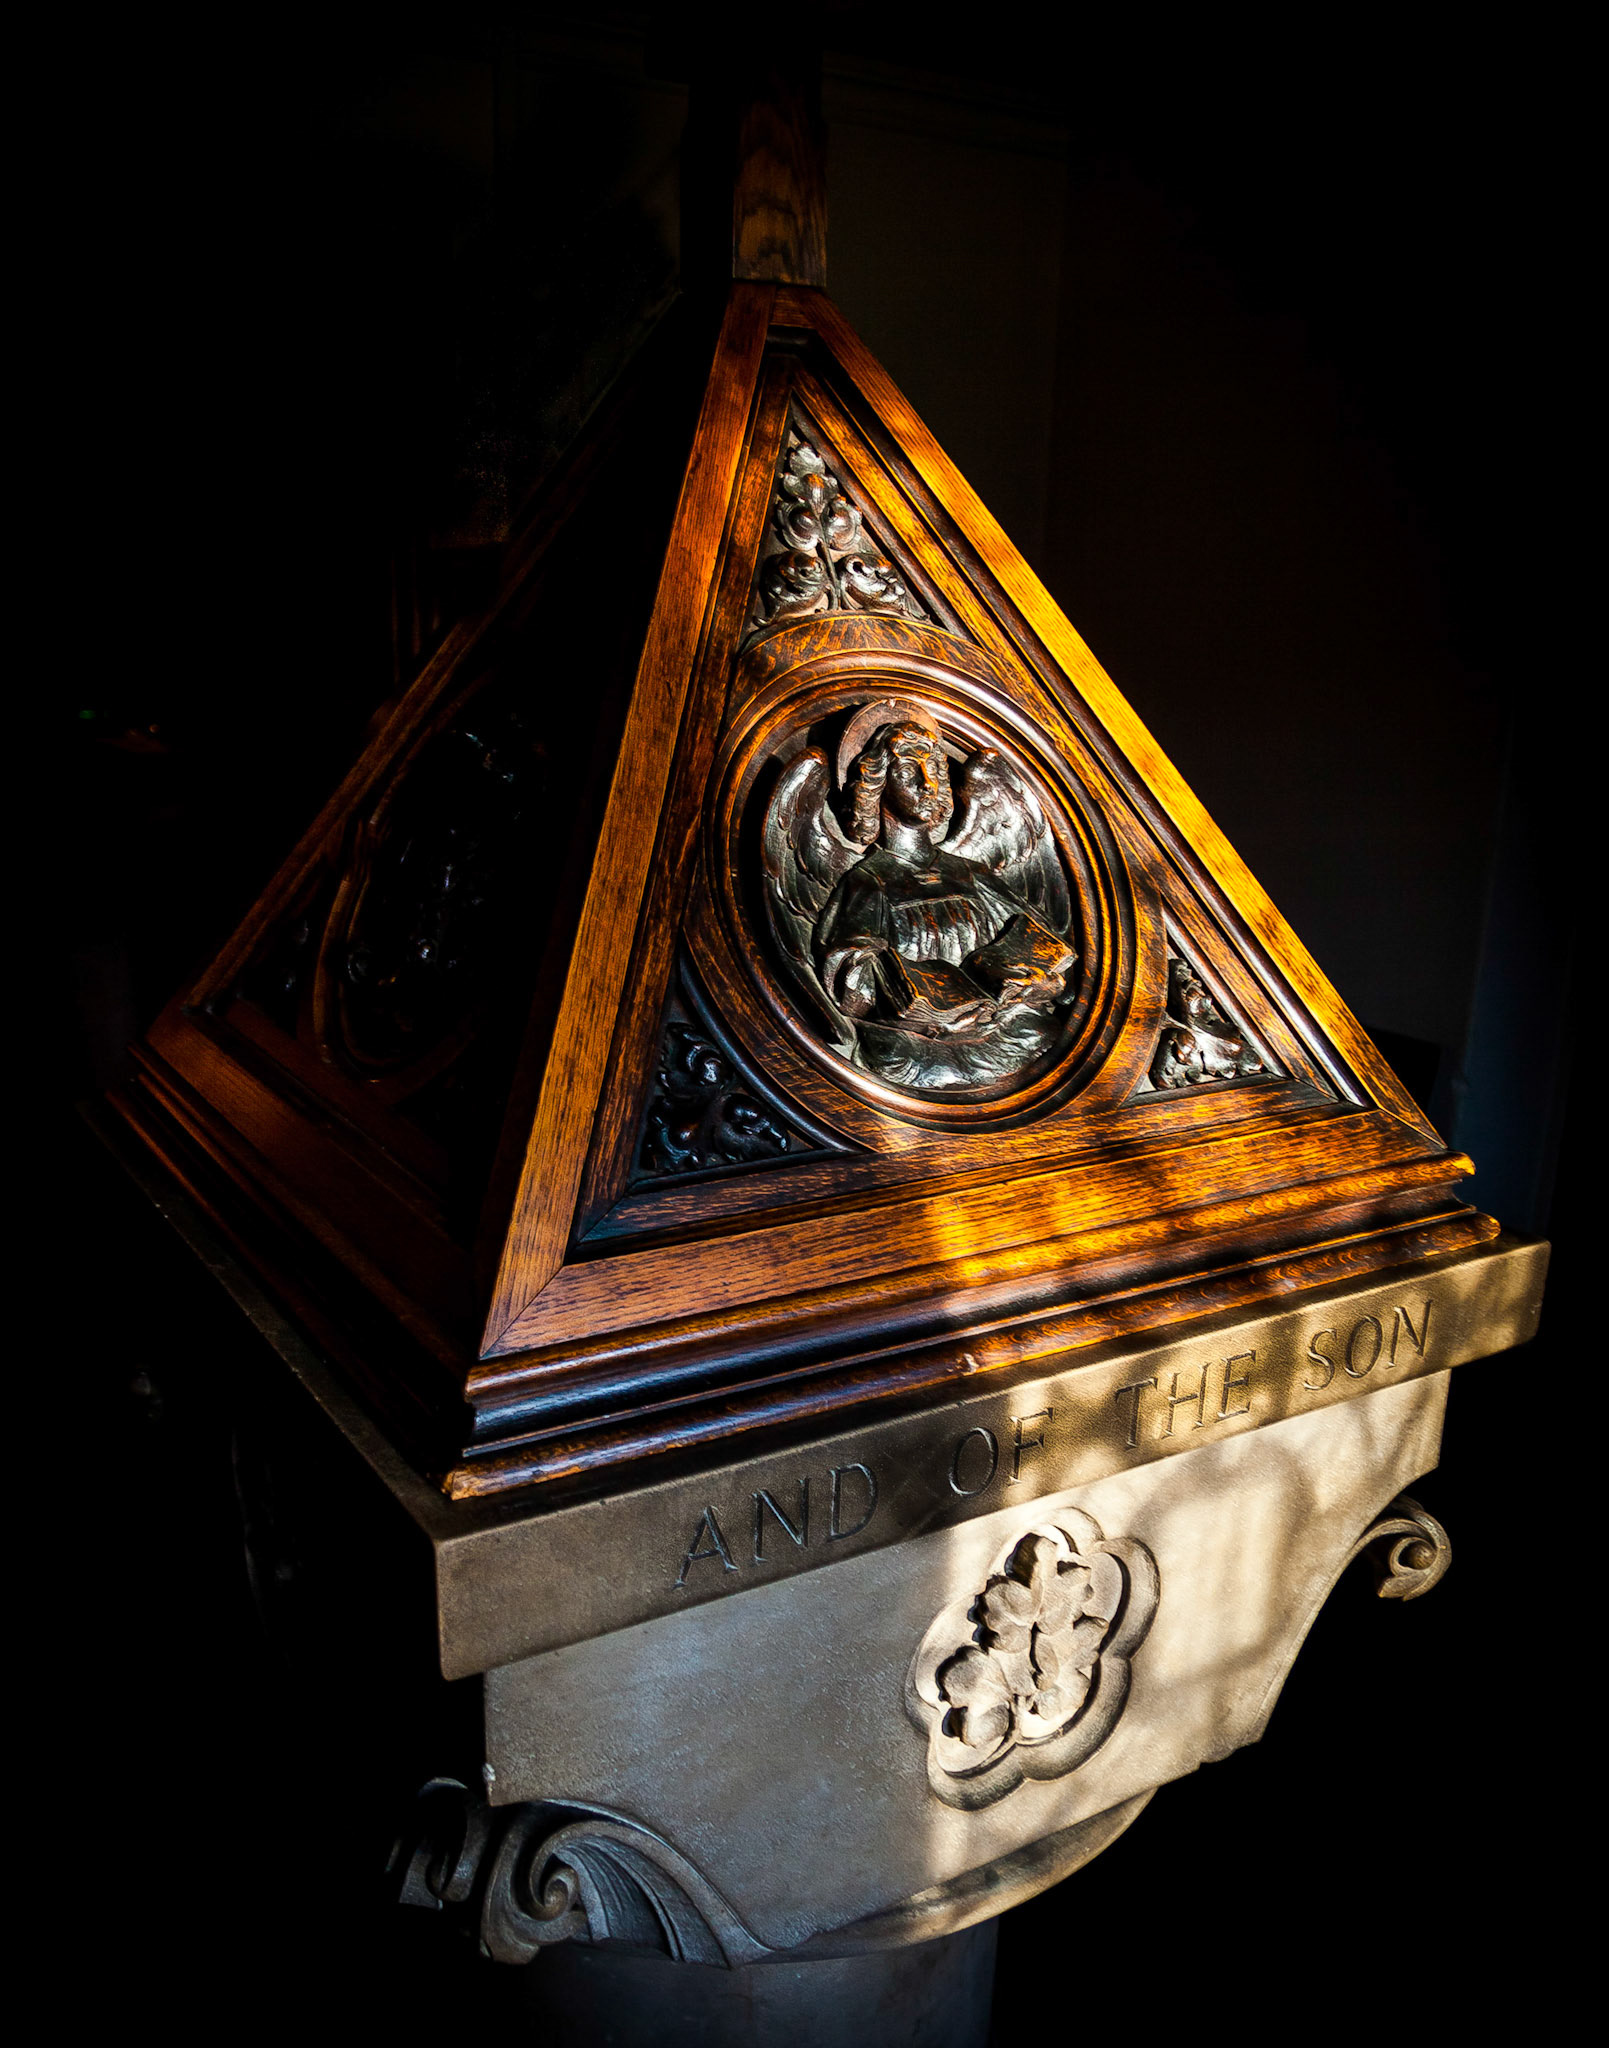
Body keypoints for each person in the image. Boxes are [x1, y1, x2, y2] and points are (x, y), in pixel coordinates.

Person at [814, 721, 1074, 1090]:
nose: (926, 784)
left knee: (1041, 1032)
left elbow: (1042, 941)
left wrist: (1037, 982)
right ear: (879, 785)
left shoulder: (969, 872)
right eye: (907, 772)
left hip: (999, 1025)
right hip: (916, 1039)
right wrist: (914, 1001)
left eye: (933, 770)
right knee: (892, 1060)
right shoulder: (869, 880)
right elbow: (850, 978)